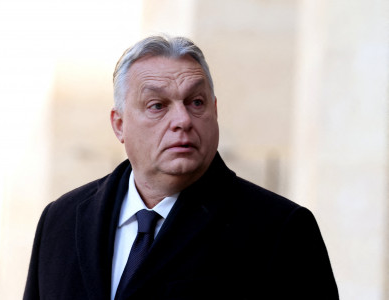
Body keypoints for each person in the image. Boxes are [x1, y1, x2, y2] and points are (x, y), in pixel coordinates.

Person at [23, 35, 339, 300]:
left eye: (196, 102)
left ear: (214, 112)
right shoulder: (59, 220)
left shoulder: (281, 230)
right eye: (157, 105)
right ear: (120, 125)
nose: (183, 121)